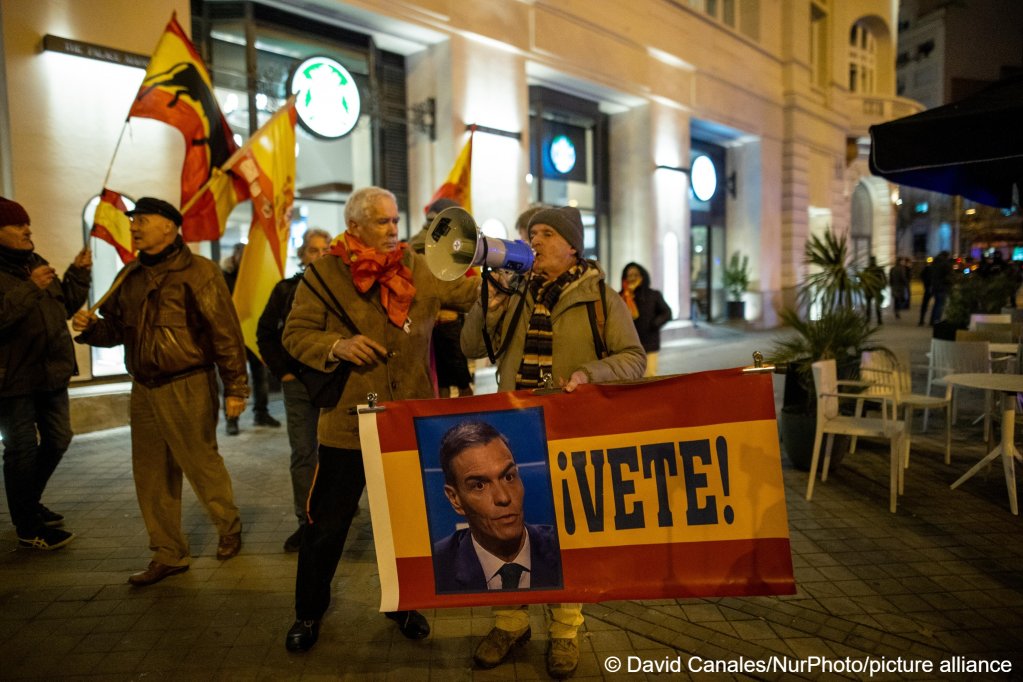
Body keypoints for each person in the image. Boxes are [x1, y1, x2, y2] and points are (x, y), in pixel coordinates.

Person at [280, 186, 480, 653]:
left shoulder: (420, 266)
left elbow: (471, 291)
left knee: (404, 525)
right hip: (348, 426)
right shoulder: (324, 273)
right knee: (326, 527)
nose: (394, 230)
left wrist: (507, 272)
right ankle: (308, 613)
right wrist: (336, 346)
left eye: (395, 220)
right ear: (355, 227)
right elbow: (295, 332)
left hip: (407, 422)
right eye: (382, 223)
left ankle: (404, 604)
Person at [461, 205, 646, 678]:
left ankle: (565, 628)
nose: (534, 241)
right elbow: (468, 346)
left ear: (571, 245)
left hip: (573, 431)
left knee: (567, 532)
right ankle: (510, 622)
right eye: (530, 233)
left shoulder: (601, 298)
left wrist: (590, 373)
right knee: (504, 526)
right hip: (513, 432)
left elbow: (633, 359)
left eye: (544, 233)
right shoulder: (515, 291)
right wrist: (494, 299)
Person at [72, 197, 247, 586]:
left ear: (169, 226)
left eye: (142, 220)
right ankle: (168, 553)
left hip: (188, 383)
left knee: (201, 463)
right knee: (150, 474)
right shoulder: (129, 275)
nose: (134, 227)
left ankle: (228, 526)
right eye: (133, 221)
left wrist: (237, 386)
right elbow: (116, 330)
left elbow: (226, 334)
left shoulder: (199, 272)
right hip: (144, 387)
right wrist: (89, 328)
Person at [0, 197, 91, 550]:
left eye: (28, 223)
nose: (28, 230)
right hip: (12, 379)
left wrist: (78, 274)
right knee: (21, 450)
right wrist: (30, 288)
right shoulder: (23, 276)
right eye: (18, 225)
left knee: (59, 438)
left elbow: (64, 305)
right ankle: (28, 525)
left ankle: (29, 501)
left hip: (50, 373)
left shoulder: (34, 263)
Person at [256, 228, 332, 553]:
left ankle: (336, 511)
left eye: (326, 249)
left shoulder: (344, 289)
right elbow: (265, 333)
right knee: (304, 453)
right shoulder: (285, 290)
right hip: (299, 384)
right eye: (313, 250)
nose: (320, 255)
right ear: (302, 256)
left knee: (338, 452)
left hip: (335, 382)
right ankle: (308, 522)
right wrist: (283, 373)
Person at [432, 420, 562, 594]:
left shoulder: (564, 549)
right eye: (479, 485)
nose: (503, 497)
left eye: (508, 477)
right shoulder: (435, 567)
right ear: (455, 499)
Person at [409, 198, 474, 398]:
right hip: (442, 318)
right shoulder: (430, 243)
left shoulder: (418, 242)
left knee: (442, 378)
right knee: (455, 378)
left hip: (438, 317)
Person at [221, 243, 280, 434]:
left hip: (253, 332)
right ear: (236, 256)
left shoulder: (256, 278)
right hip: (233, 334)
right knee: (234, 377)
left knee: (259, 375)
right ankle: (232, 419)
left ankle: (261, 413)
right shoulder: (225, 277)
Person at [620, 262, 672, 376]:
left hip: (649, 344)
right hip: (626, 347)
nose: (632, 278)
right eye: (629, 275)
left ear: (642, 276)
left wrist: (655, 323)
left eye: (635, 275)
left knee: (649, 377)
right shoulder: (620, 297)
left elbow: (667, 312)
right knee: (630, 379)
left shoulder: (653, 295)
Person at [929, 250, 954, 325]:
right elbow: (949, 276)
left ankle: (932, 320)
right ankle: (936, 320)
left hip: (935, 286)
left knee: (936, 304)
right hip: (942, 286)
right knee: (940, 304)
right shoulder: (945, 264)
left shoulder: (935, 263)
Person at [862, 256, 887, 325]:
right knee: (873, 305)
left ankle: (872, 319)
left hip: (872, 289)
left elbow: (884, 279)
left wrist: (883, 286)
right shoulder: (876, 270)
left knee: (872, 305)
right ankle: (877, 320)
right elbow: (884, 279)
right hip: (873, 289)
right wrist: (883, 286)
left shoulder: (868, 270)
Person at [918, 258, 934, 326]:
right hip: (931, 288)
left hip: (927, 288)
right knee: (930, 305)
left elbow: (921, 276)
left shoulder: (926, 269)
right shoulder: (932, 270)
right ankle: (930, 321)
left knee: (924, 304)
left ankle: (921, 320)